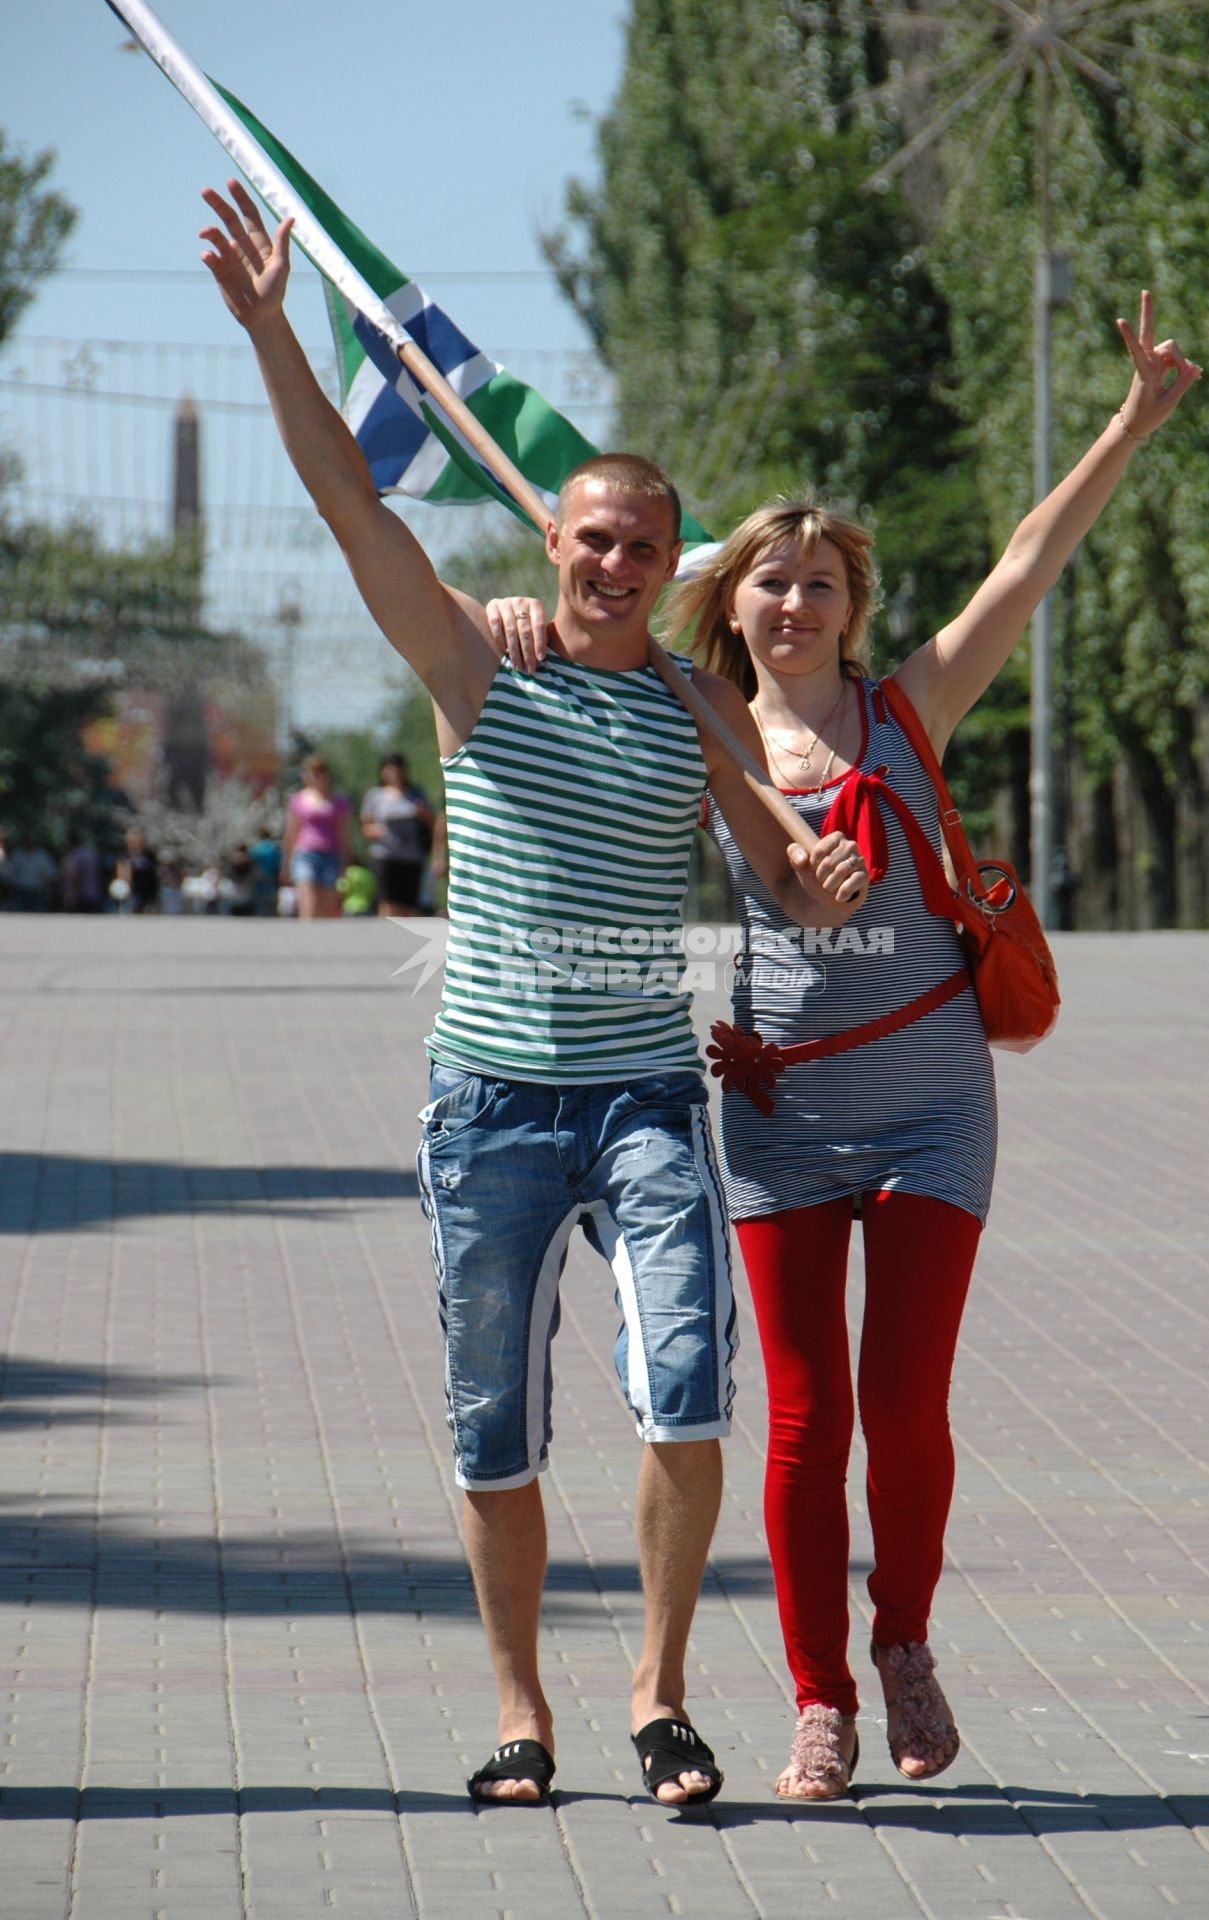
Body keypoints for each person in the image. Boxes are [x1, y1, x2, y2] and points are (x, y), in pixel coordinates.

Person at [198, 179, 868, 1809]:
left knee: (687, 1391)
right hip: (486, 1103)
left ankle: (654, 1697)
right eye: (589, 539)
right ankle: (521, 1716)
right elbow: (351, 499)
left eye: (642, 543)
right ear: (549, 547)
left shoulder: (699, 712)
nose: (614, 561)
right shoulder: (471, 665)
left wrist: (820, 892)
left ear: (665, 564)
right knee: (489, 1428)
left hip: (645, 1103)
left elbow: (779, 871)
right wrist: (275, 330)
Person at [486, 291, 1200, 1798]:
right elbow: (567, 664)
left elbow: (1028, 560)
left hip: (935, 1096)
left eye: (820, 583)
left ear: (852, 610)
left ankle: (905, 1641)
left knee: (910, 1405)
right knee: (806, 1420)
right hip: (780, 1118)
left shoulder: (907, 709)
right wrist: (515, 619)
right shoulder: (692, 723)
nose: (796, 604)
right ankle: (819, 1702)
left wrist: (1129, 423)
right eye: (770, 582)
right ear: (728, 602)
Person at [360, 753, 435, 915]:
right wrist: (378, 830)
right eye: (389, 768)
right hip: (386, 855)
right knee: (388, 902)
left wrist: (423, 814)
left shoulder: (415, 794)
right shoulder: (375, 795)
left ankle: (406, 938)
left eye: (397, 768)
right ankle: (386, 937)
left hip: (412, 856)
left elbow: (432, 823)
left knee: (409, 905)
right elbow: (365, 827)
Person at [281, 756, 351, 919]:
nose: (316, 776)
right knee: (308, 901)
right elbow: (291, 832)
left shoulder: (338, 802)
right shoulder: (298, 800)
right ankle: (307, 939)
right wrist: (286, 862)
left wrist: (345, 864)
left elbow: (344, 835)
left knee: (327, 906)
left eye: (320, 772)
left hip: (330, 855)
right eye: (312, 772)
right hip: (305, 854)